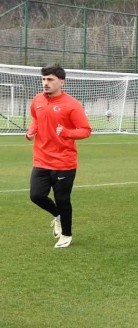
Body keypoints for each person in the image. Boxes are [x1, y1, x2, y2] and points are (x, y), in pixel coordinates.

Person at [25, 64, 92, 249]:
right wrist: (31, 131)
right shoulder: (37, 100)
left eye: (50, 79)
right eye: (43, 79)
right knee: (36, 195)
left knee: (62, 199)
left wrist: (67, 132)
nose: (45, 83)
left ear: (61, 82)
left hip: (64, 162)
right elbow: (35, 119)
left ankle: (66, 235)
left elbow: (85, 130)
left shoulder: (72, 104)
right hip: (41, 158)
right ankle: (58, 216)